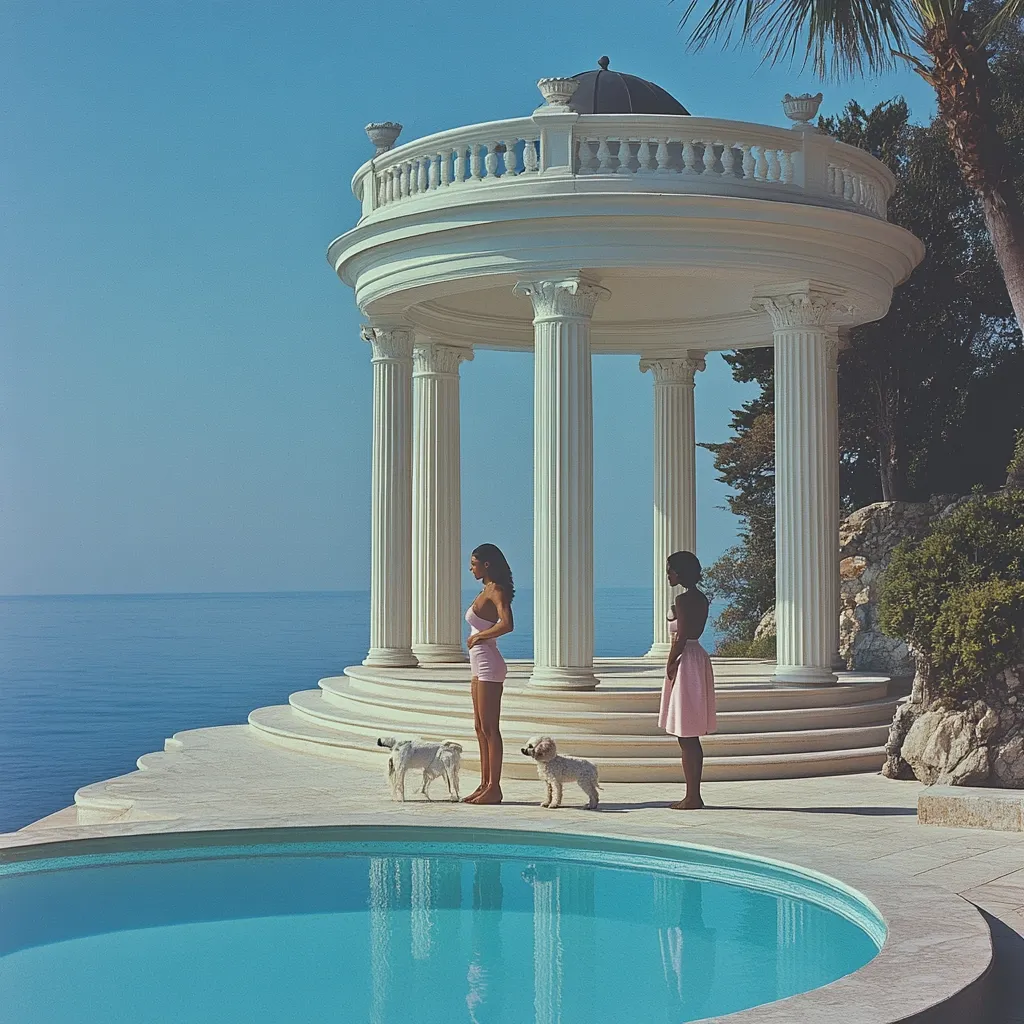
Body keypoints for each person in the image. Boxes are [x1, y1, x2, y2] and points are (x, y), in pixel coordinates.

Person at [659, 550, 716, 810]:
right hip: (697, 657)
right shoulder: (700, 598)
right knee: (689, 733)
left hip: (687, 661)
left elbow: (681, 636)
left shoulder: (683, 600)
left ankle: (693, 796)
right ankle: (693, 793)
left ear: (680, 572)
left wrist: (671, 662)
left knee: (687, 734)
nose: (668, 574)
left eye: (670, 569)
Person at [463, 543, 515, 805]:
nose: (470, 568)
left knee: (491, 728)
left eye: (473, 563)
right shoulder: (486, 589)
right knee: (480, 727)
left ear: (486, 564)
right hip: (479, 663)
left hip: (488, 664)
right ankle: (485, 784)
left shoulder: (497, 591)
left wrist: (480, 636)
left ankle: (495, 787)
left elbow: (508, 624)